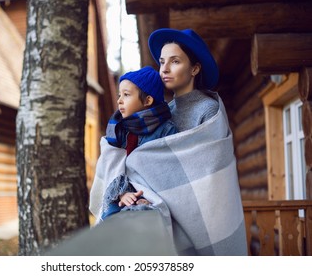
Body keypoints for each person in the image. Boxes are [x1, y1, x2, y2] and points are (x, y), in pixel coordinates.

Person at [90, 28, 247, 256]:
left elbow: (208, 168)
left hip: (198, 210)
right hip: (157, 210)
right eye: (162, 61)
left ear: (194, 68)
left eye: (175, 61)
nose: (164, 68)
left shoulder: (208, 110)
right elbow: (147, 159)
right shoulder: (161, 114)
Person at [101, 66, 178, 220]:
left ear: (147, 100)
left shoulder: (166, 130)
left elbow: (170, 172)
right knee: (111, 215)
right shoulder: (119, 129)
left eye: (126, 95)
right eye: (119, 95)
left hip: (155, 197)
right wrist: (122, 193)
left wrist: (148, 197)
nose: (119, 100)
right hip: (125, 194)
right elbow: (114, 167)